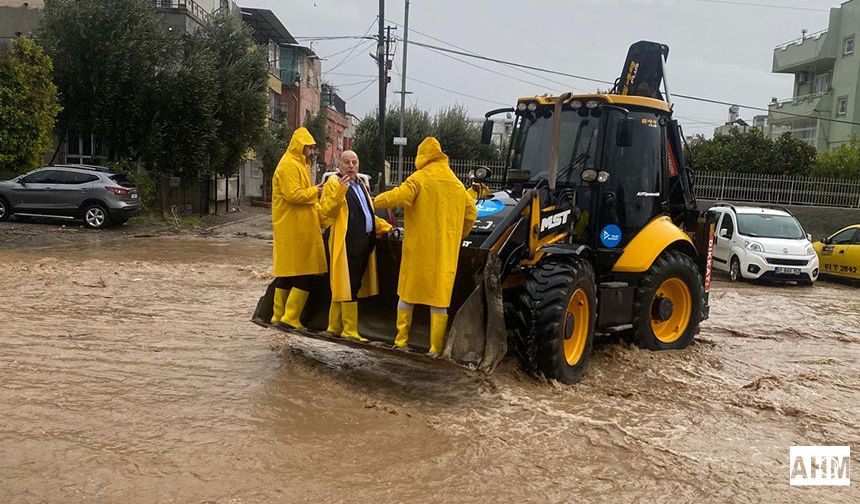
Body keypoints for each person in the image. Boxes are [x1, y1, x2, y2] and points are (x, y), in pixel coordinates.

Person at [374, 137, 477, 357]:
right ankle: (436, 349)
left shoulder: (418, 178)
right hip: (444, 253)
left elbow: (398, 196)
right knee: (439, 302)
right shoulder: (457, 184)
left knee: (407, 296)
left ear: (422, 156)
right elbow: (471, 214)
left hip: (418, 250)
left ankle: (401, 341)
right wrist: (458, 234)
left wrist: (372, 200)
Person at [319, 150, 392, 342]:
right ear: (339, 165)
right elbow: (326, 211)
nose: (351, 166)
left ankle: (333, 326)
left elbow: (367, 213)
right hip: (347, 241)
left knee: (348, 284)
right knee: (349, 283)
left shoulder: (360, 185)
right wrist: (340, 192)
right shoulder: (334, 184)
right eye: (347, 162)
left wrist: (384, 226)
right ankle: (349, 330)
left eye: (354, 162)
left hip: (364, 241)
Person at [270, 127, 326, 329]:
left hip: (295, 227)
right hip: (295, 228)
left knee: (288, 272)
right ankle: (291, 317)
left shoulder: (297, 165)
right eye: (309, 148)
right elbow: (293, 195)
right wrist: (317, 191)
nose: (311, 152)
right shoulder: (289, 166)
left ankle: (278, 316)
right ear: (300, 147)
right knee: (304, 272)